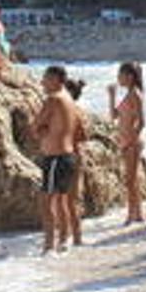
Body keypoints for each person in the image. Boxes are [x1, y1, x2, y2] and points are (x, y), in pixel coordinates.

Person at [32, 66, 84, 254]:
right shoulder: (69, 100)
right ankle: (64, 241)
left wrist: (43, 131)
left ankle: (48, 247)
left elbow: (35, 126)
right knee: (61, 201)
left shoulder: (53, 99)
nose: (42, 83)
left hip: (55, 157)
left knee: (46, 202)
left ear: (55, 79)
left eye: (45, 79)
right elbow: (80, 133)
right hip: (68, 156)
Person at [108, 62, 145, 224]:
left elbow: (141, 122)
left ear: (129, 76)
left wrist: (132, 139)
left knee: (130, 181)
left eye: (120, 75)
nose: (118, 78)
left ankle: (132, 215)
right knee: (132, 180)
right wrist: (112, 96)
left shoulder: (135, 94)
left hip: (131, 143)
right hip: (126, 142)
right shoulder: (128, 94)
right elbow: (114, 116)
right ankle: (137, 214)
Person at [64, 78, 88, 246]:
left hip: (71, 156)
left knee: (70, 200)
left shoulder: (72, 111)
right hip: (74, 156)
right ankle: (72, 237)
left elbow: (81, 136)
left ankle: (75, 237)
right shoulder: (74, 110)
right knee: (69, 199)